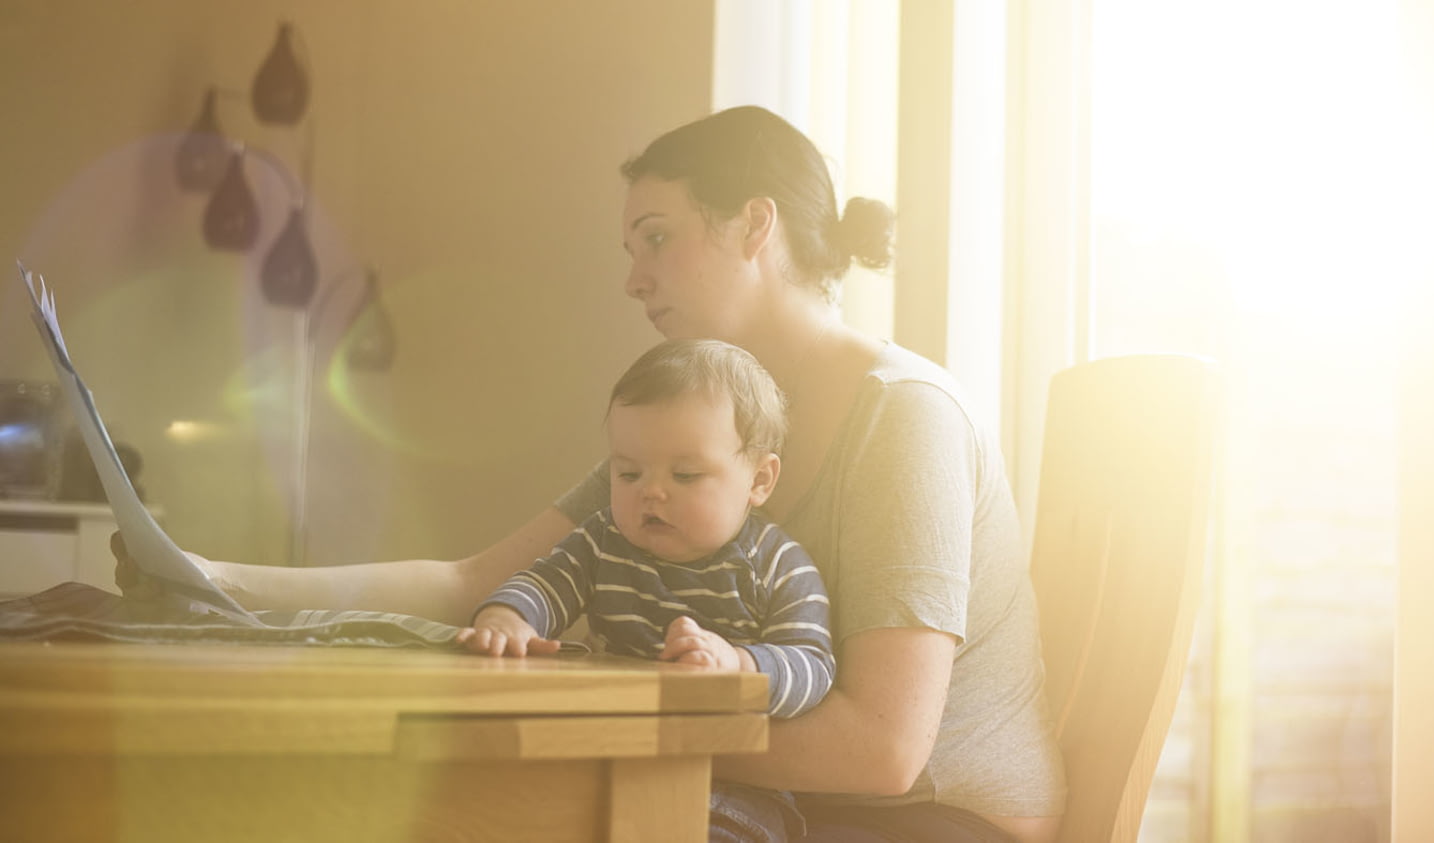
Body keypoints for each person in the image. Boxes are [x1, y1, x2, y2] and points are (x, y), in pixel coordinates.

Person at [115, 105, 1066, 841]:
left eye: (657, 236)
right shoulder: (707, 430)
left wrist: (630, 730)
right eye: (631, 248)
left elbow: (887, 748)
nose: (634, 277)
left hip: (931, 822)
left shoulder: (904, 420)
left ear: (754, 226)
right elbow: (469, 583)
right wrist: (217, 583)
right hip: (788, 800)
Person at [459, 337, 833, 842]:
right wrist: (508, 616)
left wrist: (739, 665)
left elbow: (813, 665)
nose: (650, 492)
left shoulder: (778, 566)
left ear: (759, 480)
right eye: (628, 472)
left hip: (732, 785)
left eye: (686, 474)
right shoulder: (603, 542)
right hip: (603, 759)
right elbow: (546, 583)